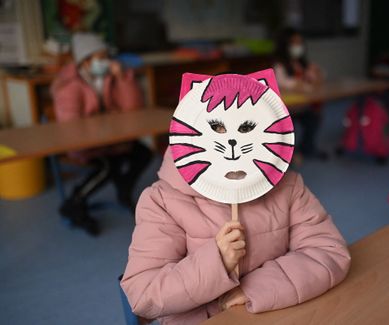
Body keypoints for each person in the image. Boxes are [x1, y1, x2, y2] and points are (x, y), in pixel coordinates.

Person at [120, 152, 351, 324]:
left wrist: (254, 289)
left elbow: (327, 250)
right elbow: (144, 294)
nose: (231, 144)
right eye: (218, 126)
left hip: (278, 311)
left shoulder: (288, 185)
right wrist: (217, 262)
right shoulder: (161, 200)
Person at [51, 32, 152, 236]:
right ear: (85, 61)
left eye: (107, 56)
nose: (106, 62)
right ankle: (74, 202)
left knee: (144, 153)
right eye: (101, 57)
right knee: (108, 167)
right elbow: (71, 128)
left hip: (112, 141)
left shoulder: (110, 78)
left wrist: (122, 78)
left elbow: (134, 107)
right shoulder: (69, 86)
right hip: (85, 145)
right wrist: (106, 126)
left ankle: (124, 189)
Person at [273, 28, 326, 160]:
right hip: (286, 108)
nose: (297, 46)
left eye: (299, 43)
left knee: (315, 117)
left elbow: (316, 78)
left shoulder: (302, 64)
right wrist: (298, 84)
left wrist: (317, 73)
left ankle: (307, 148)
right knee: (290, 127)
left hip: (303, 105)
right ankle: (287, 154)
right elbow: (283, 82)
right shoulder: (279, 65)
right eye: (294, 43)